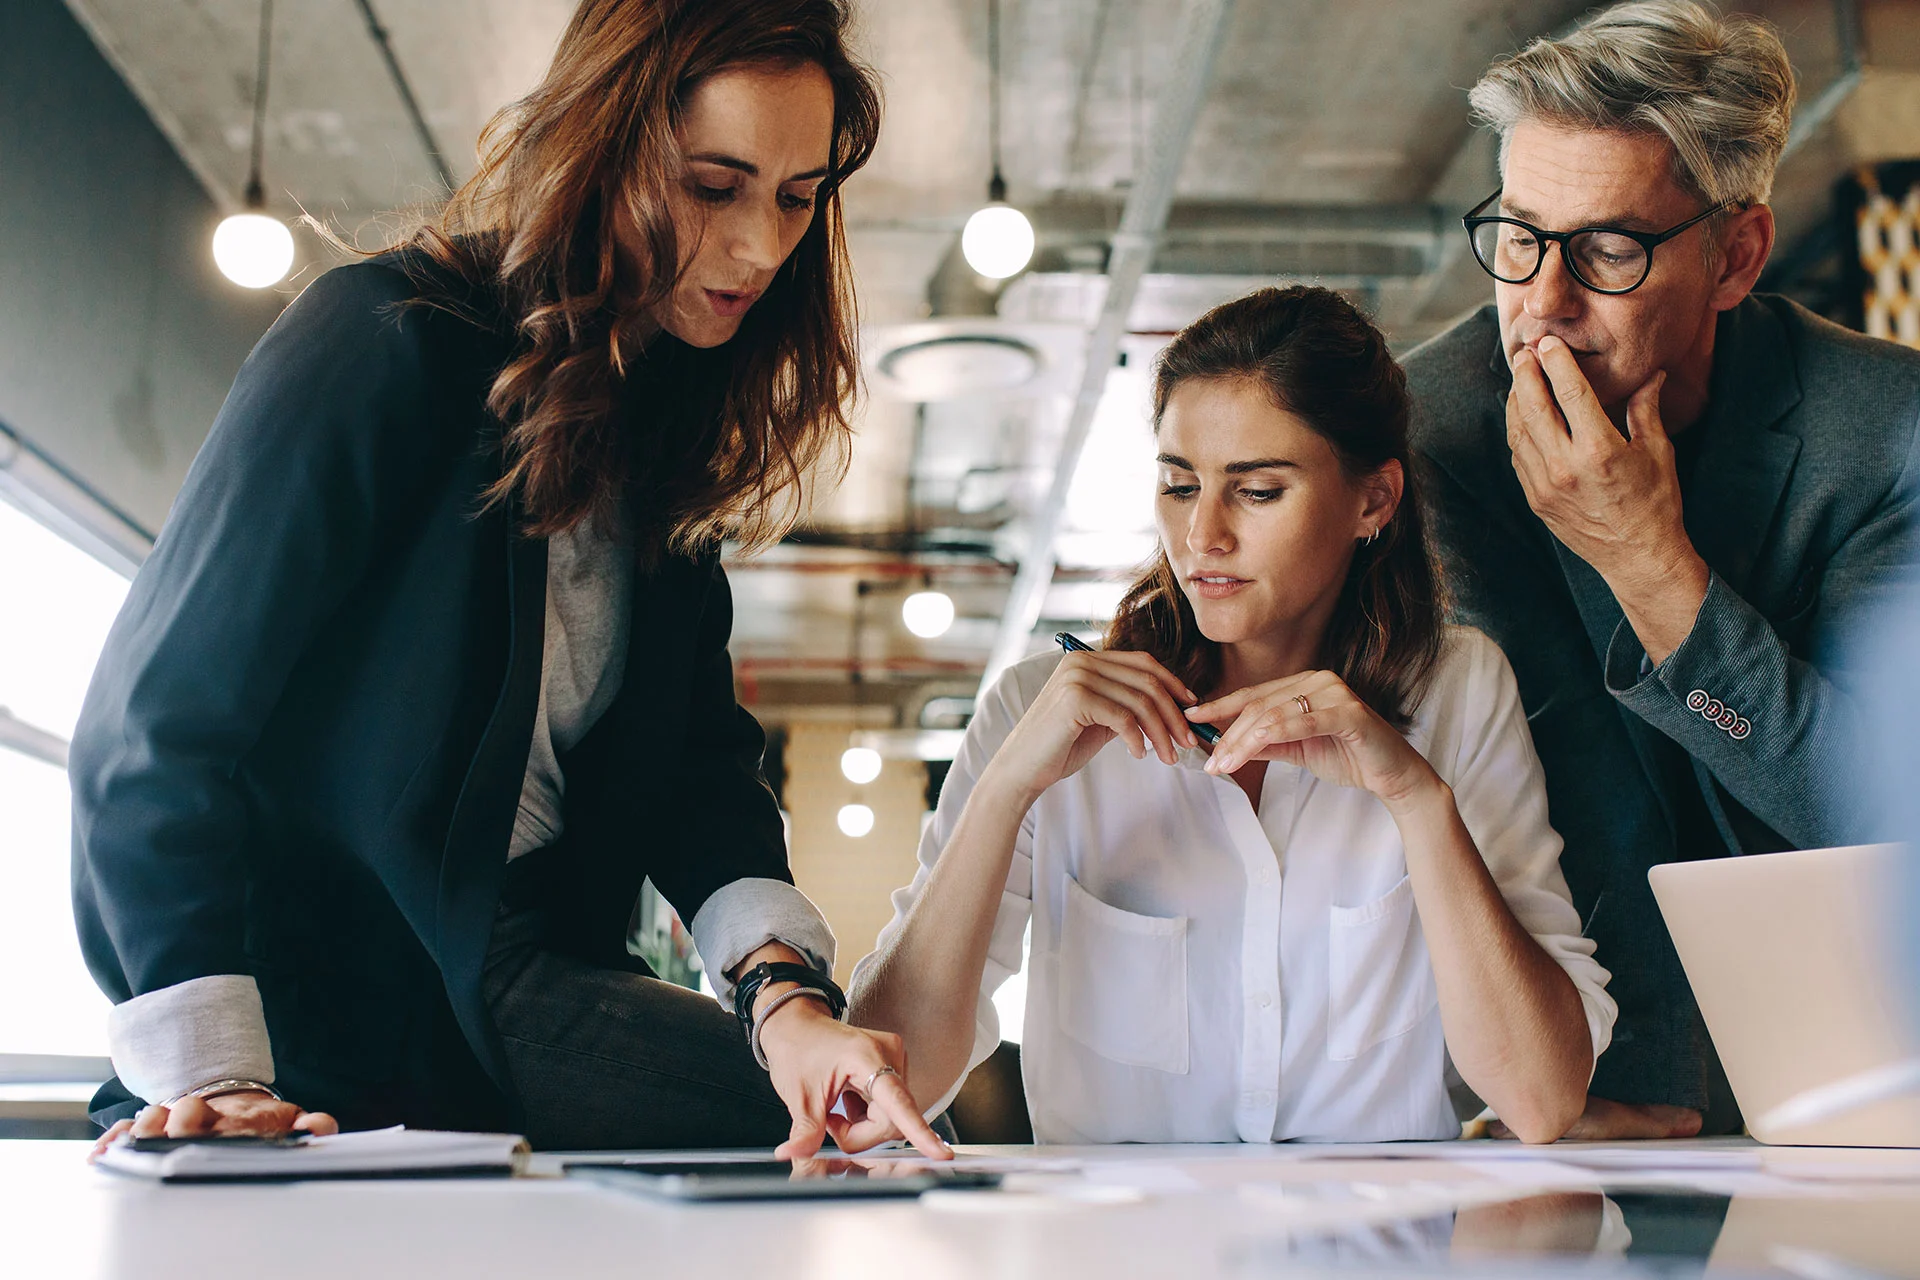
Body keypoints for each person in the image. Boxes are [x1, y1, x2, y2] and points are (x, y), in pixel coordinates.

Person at [73, 0, 946, 1160]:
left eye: (798, 197)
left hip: (527, 972)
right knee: (841, 1141)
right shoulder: (383, 339)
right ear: (604, 146)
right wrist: (214, 1068)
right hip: (331, 1006)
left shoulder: (657, 432)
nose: (761, 248)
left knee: (850, 1113)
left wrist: (785, 998)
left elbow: (699, 772)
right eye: (714, 185)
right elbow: (155, 731)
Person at [849, 286, 1615, 1144]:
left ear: (1373, 500)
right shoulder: (1040, 710)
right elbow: (885, 1090)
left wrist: (1416, 800)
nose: (1201, 535)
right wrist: (1003, 793)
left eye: (1255, 491)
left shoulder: (1461, 691)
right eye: (1179, 485)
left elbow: (1542, 1100)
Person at [1405, 0, 1920, 1139]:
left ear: (1736, 255)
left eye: (1607, 250)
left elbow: (1878, 814)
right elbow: (1541, 788)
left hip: (1861, 1063)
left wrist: (1651, 569)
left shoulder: (1890, 430)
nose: (1541, 304)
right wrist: (1618, 1076)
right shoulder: (1425, 437)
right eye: (1522, 234)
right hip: (1557, 1082)